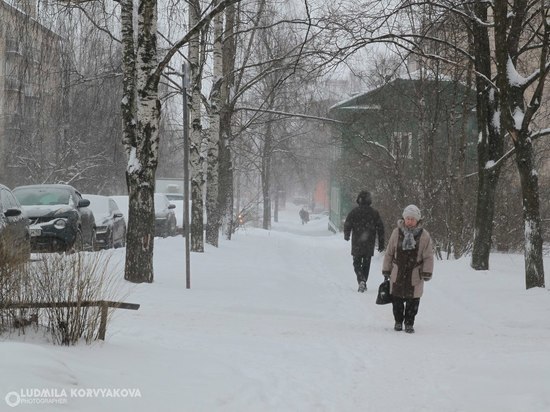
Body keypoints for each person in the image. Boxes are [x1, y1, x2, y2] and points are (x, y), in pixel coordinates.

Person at [382, 204, 434, 333]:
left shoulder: (424, 236)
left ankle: (409, 322)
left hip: (415, 273)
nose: (410, 221)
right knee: (397, 299)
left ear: (417, 220)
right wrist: (386, 269)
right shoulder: (397, 232)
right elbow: (389, 252)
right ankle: (398, 321)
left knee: (413, 300)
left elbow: (428, 256)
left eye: (413, 219)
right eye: (408, 218)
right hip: (397, 271)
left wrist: (427, 272)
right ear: (404, 219)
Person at [343, 191, 385, 293]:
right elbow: (381, 228)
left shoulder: (354, 212)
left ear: (359, 200)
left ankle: (361, 279)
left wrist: (347, 235)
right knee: (366, 264)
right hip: (369, 243)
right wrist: (381, 243)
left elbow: (347, 224)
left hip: (357, 243)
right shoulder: (374, 213)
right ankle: (364, 280)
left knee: (356, 263)